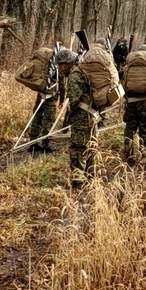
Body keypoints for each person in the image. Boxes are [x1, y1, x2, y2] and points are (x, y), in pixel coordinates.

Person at [55, 48, 96, 188]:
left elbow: (74, 99)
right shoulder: (83, 71)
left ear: (67, 64)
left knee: (78, 147)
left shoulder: (73, 76)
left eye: (60, 65)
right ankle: (91, 174)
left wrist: (70, 114)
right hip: (91, 114)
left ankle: (78, 180)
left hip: (81, 117)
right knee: (90, 144)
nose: (59, 69)